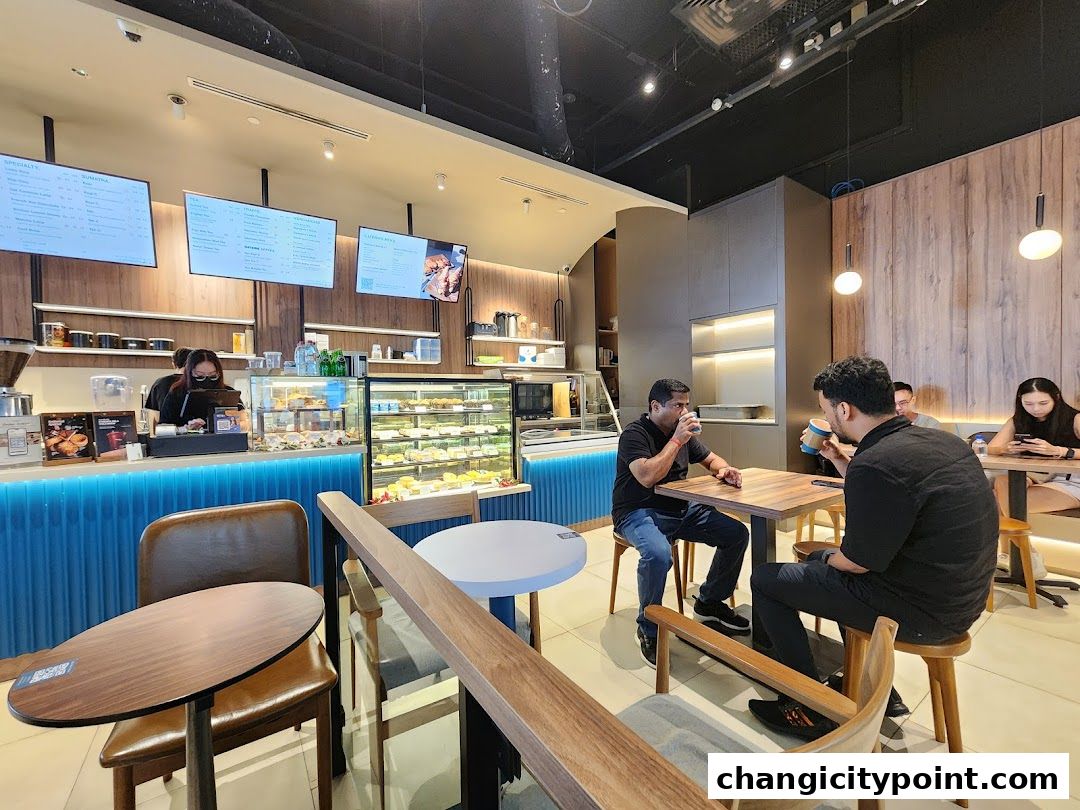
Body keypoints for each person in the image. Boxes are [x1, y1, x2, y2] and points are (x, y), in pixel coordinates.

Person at [747, 356, 996, 741]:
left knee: (767, 577)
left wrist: (827, 556)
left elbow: (857, 563)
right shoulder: (937, 442)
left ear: (844, 409)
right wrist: (837, 457)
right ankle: (883, 690)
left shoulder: (877, 462)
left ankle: (807, 705)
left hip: (921, 612)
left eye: (826, 409)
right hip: (963, 598)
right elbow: (888, 495)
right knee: (821, 564)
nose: (827, 418)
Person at [611, 378, 750, 668]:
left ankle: (709, 602)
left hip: (680, 509)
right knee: (659, 554)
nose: (684, 411)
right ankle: (648, 626)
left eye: (686, 405)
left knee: (736, 532)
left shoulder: (684, 435)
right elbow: (648, 476)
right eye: (677, 405)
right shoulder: (635, 435)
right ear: (655, 406)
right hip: (637, 511)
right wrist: (677, 440)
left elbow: (712, 459)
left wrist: (724, 470)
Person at [988, 377, 1080, 515]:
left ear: (1056, 397)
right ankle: (1015, 533)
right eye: (1028, 403)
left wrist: (1060, 451)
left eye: (1043, 403)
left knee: (994, 501)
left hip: (1069, 482)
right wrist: (1006, 449)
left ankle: (1013, 534)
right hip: (1035, 475)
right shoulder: (1018, 420)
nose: (1036, 409)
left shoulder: (1075, 419)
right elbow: (990, 448)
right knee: (1003, 481)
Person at [157, 349, 241, 430]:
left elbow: (244, 421)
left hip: (223, 442)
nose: (207, 380)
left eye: (212, 376)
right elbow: (163, 428)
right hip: (185, 443)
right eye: (200, 376)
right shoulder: (177, 394)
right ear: (189, 373)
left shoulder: (228, 394)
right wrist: (184, 429)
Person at [145, 347, 191, 432]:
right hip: (196, 434)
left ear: (173, 363)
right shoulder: (197, 383)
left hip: (168, 435)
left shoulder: (160, 383)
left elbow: (156, 417)